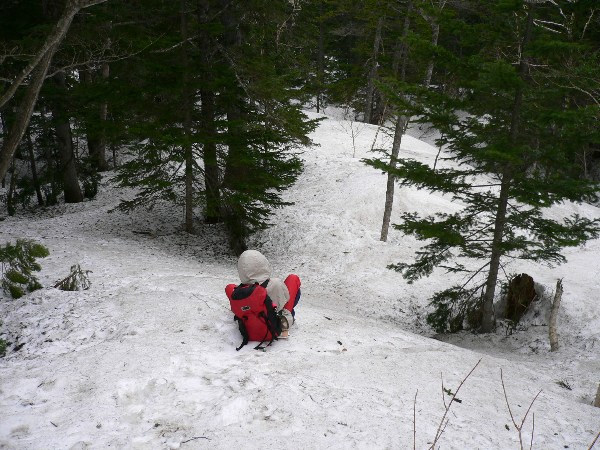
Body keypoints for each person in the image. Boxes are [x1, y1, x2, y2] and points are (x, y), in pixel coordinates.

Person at [234, 249, 301, 338]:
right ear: (263, 263)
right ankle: (287, 319)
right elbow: (286, 299)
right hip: (275, 325)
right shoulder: (275, 283)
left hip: (251, 327)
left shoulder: (240, 291)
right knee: (293, 279)